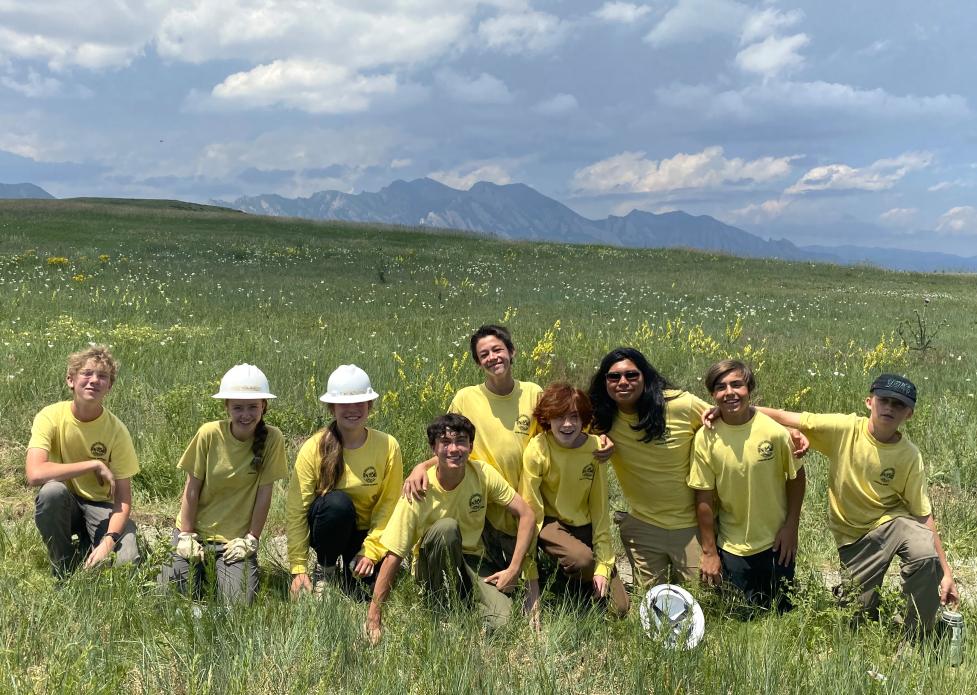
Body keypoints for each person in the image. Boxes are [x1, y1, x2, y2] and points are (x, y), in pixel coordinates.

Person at [403, 325, 611, 606]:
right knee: (487, 569)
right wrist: (420, 465)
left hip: (530, 499)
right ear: (478, 362)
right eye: (484, 354)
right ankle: (456, 591)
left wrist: (598, 440)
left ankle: (544, 585)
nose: (492, 357)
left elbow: (562, 429)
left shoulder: (532, 393)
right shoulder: (466, 398)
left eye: (497, 350)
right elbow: (450, 445)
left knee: (530, 568)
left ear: (511, 352)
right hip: (484, 502)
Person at [751, 373, 958, 634]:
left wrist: (946, 572)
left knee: (924, 553)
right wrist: (735, 409)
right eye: (884, 400)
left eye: (899, 405)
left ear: (909, 414)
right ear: (869, 402)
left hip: (894, 523)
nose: (890, 408)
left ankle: (915, 635)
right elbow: (786, 416)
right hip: (854, 539)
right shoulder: (845, 428)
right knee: (855, 619)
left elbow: (922, 515)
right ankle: (867, 599)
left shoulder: (910, 455)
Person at [366, 413, 535, 644]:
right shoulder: (419, 489)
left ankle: (466, 604)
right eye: (445, 442)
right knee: (447, 528)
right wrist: (374, 616)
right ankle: (439, 603)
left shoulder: (482, 474)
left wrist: (514, 569)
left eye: (461, 441)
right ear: (434, 448)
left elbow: (526, 514)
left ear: (471, 446)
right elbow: (394, 554)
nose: (454, 449)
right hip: (431, 566)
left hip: (473, 560)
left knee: (502, 623)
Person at [158, 363, 287, 604]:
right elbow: (191, 489)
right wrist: (186, 534)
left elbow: (264, 495)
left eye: (252, 407)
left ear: (264, 406)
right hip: (195, 533)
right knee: (170, 599)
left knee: (238, 606)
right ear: (226, 406)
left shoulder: (272, 439)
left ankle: (219, 573)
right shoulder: (208, 433)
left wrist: (252, 539)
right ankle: (200, 569)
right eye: (237, 407)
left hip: (234, 542)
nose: (245, 414)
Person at [688, 360, 806, 613]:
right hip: (733, 546)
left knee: (783, 612)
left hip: (777, 543)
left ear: (749, 388)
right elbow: (704, 497)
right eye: (721, 387)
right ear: (713, 395)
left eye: (737, 384)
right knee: (741, 615)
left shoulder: (775, 432)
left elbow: (796, 476)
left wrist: (791, 527)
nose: (729, 392)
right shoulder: (706, 437)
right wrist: (709, 551)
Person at [587, 347, 711, 588]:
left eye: (632, 375)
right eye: (614, 377)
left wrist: (787, 428)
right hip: (643, 527)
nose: (623, 382)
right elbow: (561, 429)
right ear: (604, 383)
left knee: (703, 599)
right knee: (652, 600)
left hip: (691, 525)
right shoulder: (602, 418)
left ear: (646, 377)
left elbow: (731, 415)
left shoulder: (679, 405)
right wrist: (597, 438)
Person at [287, 364, 403, 599]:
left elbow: (389, 506)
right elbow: (297, 508)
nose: (352, 409)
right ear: (332, 408)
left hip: (366, 533)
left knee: (363, 594)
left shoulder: (388, 445)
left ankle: (353, 565)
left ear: (370, 405)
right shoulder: (314, 447)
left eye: (360, 402)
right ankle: (326, 570)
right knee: (338, 504)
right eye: (344, 404)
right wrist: (298, 567)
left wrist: (370, 551)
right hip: (329, 526)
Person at [25, 345, 139, 576]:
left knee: (126, 564)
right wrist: (94, 464)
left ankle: (93, 544)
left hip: (102, 507)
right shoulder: (50, 416)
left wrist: (108, 542)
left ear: (109, 386)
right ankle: (63, 566)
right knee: (51, 493)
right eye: (86, 373)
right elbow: (34, 474)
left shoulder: (117, 430)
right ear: (70, 380)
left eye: (102, 376)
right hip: (65, 502)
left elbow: (124, 499)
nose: (94, 380)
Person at [521, 382, 629, 617]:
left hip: (584, 525)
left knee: (619, 609)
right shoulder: (538, 449)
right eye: (559, 417)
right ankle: (574, 584)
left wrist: (603, 566)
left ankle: (582, 582)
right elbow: (531, 510)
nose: (567, 424)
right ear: (547, 418)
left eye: (574, 416)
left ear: (584, 419)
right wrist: (531, 580)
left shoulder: (594, 448)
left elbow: (600, 510)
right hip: (550, 523)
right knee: (581, 560)